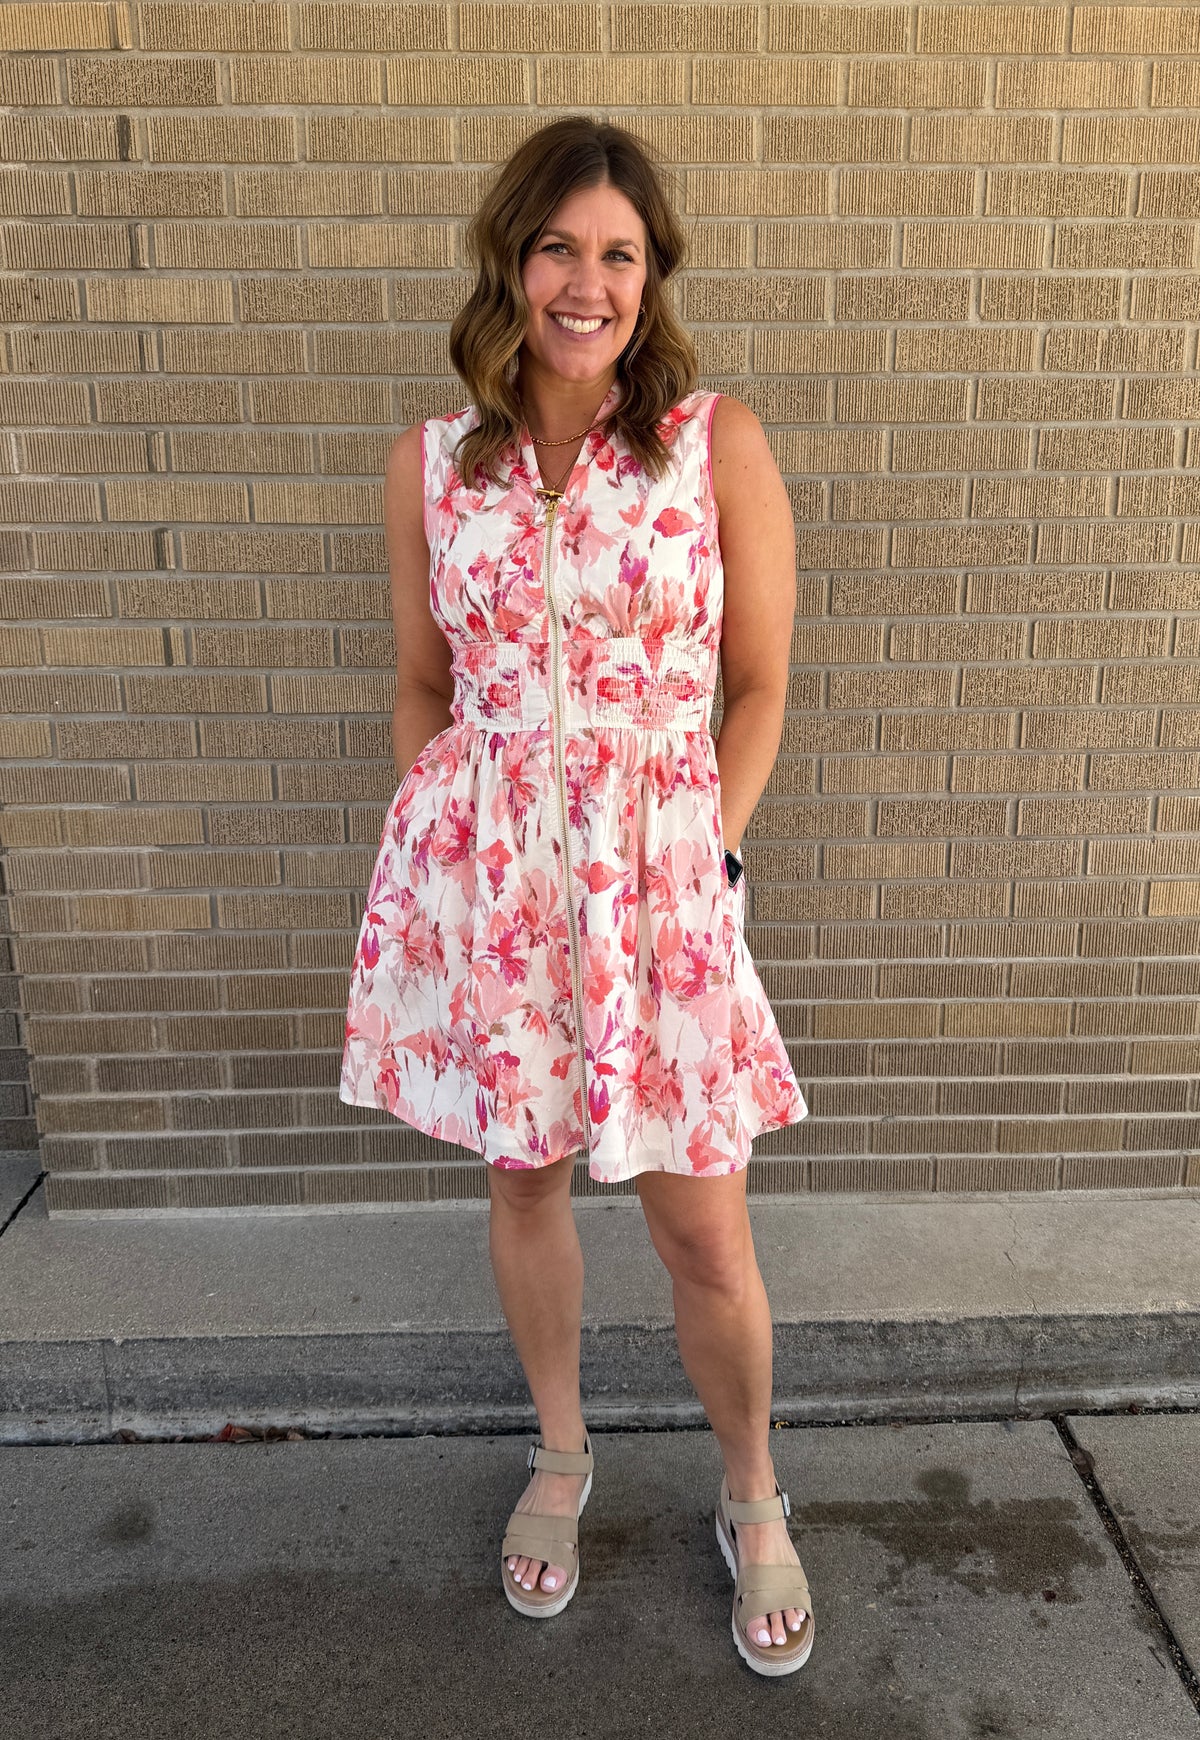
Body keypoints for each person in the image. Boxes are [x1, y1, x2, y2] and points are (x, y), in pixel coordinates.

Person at [339, 115, 814, 1676]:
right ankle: (562, 1448)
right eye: (558, 247)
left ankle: (752, 1490)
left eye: (617, 252)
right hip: (500, 900)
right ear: (511, 259)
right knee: (524, 1185)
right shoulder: (430, 463)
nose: (585, 280)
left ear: (651, 272)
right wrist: (451, 848)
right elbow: (424, 683)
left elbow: (756, 688)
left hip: (663, 892)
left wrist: (709, 856)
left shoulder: (709, 442)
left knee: (703, 1233)